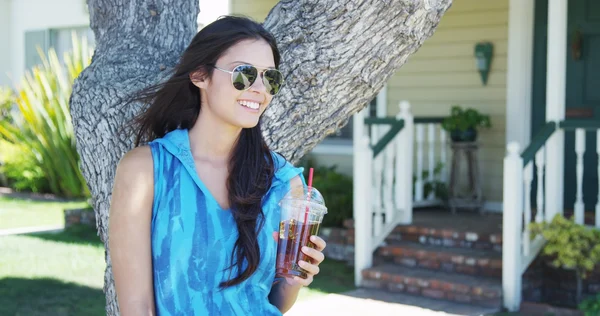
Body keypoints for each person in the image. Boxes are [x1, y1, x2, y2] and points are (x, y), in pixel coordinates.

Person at [108, 15, 327, 315]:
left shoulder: (283, 183)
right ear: (200, 75)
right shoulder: (146, 170)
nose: (259, 89)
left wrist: (293, 279)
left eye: (270, 77)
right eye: (244, 74)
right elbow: (137, 307)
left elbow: (271, 304)